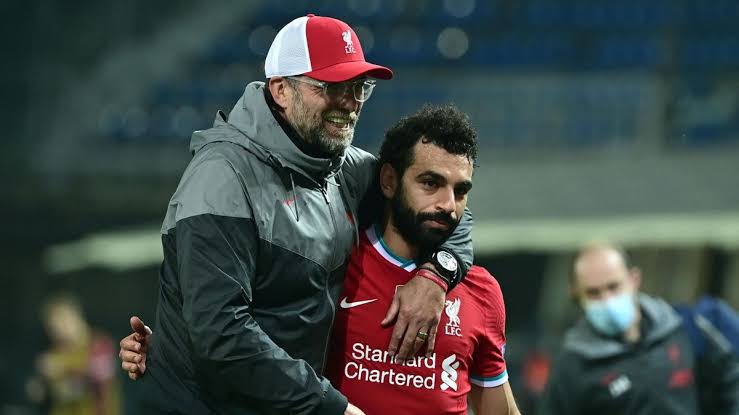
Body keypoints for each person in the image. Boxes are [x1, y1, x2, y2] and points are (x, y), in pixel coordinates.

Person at [118, 14, 474, 415]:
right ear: (281, 89)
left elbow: (444, 212)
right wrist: (330, 407)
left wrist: (436, 275)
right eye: (330, 86)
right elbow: (221, 333)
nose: (349, 102)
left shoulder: (346, 169)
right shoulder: (222, 177)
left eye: (358, 87)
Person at [325, 104, 520, 414]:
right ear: (389, 181)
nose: (448, 205)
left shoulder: (482, 291)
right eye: (431, 183)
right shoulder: (335, 266)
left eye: (460, 191)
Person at [539, 243, 739, 415]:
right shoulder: (572, 366)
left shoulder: (684, 327)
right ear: (576, 295)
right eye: (593, 293)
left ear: (633, 280)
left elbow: (729, 382)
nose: (607, 300)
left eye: (613, 287)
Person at [28, 294, 120, 415]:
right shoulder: (56, 352)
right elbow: (44, 393)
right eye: (51, 328)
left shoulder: (99, 344)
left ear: (73, 317)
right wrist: (41, 387)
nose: (57, 332)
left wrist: (60, 367)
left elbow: (101, 374)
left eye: (60, 323)